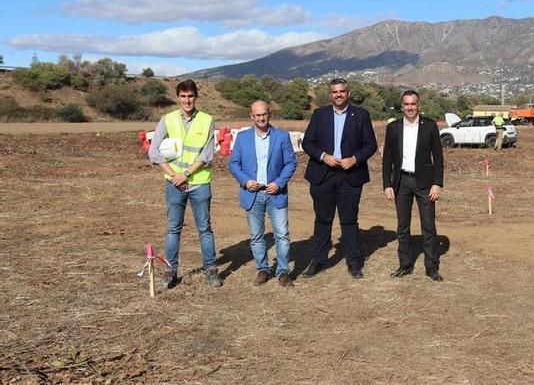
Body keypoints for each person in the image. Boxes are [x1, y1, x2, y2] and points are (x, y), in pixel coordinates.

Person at [148, 79, 222, 290]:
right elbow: (154, 152)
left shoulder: (207, 120)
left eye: (190, 96)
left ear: (195, 97)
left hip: (199, 184)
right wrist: (173, 175)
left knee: (205, 229)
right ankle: (170, 273)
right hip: (174, 185)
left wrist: (187, 174)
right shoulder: (167, 120)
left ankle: (211, 271)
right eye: (183, 96)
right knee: (173, 229)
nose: (187, 100)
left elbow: (207, 154)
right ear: (178, 97)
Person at [301, 78, 378, 279]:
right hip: (323, 175)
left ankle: (354, 263)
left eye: (342, 91)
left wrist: (355, 159)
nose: (338, 95)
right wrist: (323, 156)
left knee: (349, 221)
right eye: (334, 92)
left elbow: (371, 145)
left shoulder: (361, 115)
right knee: (322, 220)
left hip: (350, 176)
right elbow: (307, 143)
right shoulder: (320, 115)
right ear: (330, 95)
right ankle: (318, 261)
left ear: (348, 93)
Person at [229, 101, 297, 287]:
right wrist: (245, 181)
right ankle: (263, 269)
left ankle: (282, 271)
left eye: (264, 114)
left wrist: (279, 183)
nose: (261, 118)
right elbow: (234, 164)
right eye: (257, 115)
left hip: (275, 192)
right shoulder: (242, 138)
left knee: (282, 234)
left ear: (269, 114)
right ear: (251, 116)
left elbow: (290, 163)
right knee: (257, 235)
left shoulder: (282, 137)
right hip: (253, 193)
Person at [382, 90, 445, 282]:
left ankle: (431, 267)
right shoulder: (393, 128)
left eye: (413, 104)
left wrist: (437, 183)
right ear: (402, 106)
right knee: (402, 226)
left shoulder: (430, 126)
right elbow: (388, 159)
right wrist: (387, 184)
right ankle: (405, 264)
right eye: (406, 104)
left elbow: (439, 157)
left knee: (428, 226)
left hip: (425, 183)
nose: (410, 107)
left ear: (419, 105)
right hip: (401, 182)